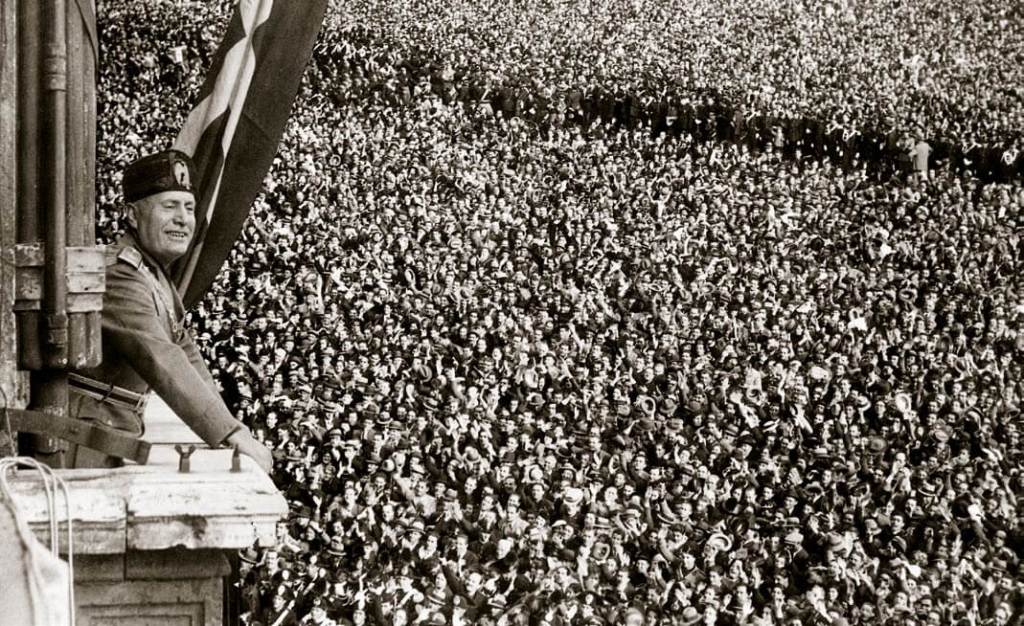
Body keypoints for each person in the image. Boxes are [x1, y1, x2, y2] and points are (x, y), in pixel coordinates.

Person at [67, 149, 273, 472]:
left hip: (108, 431)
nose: (183, 218)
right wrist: (229, 433)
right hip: (82, 442)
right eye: (169, 206)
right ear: (132, 215)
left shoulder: (153, 273)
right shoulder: (120, 274)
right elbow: (162, 358)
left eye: (189, 208)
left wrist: (232, 426)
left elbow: (184, 349)